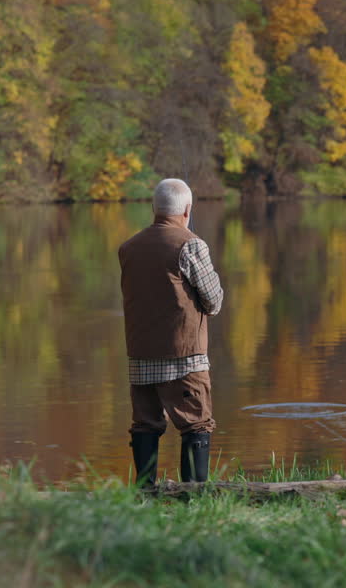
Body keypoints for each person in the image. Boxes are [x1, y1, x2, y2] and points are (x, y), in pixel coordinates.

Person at [119, 178, 224, 487]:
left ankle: (144, 494)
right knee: (196, 426)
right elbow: (214, 300)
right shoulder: (190, 243)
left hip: (140, 356)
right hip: (185, 357)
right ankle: (194, 498)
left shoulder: (128, 248)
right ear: (187, 209)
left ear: (154, 208)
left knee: (145, 426)